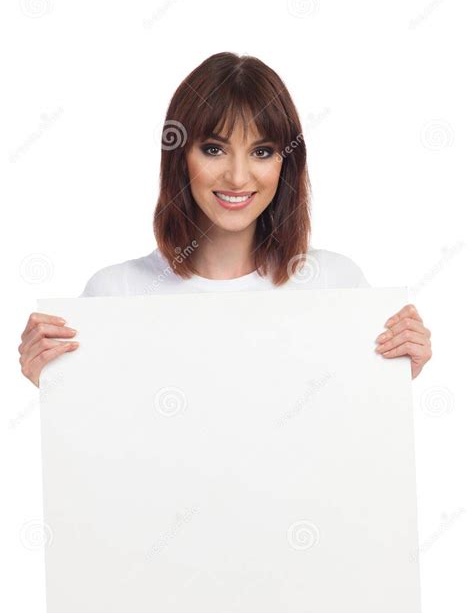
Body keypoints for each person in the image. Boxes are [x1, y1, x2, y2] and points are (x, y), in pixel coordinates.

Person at [18, 52, 432, 388]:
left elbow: (352, 440)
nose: (237, 176)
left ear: (287, 164)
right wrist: (55, 381)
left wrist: (393, 374)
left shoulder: (335, 283)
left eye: (262, 151)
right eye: (214, 149)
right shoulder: (115, 293)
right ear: (180, 157)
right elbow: (101, 449)